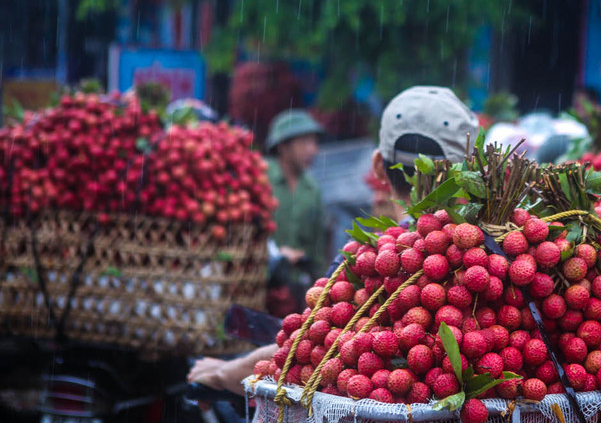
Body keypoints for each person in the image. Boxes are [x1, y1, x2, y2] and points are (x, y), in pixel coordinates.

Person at [188, 86, 479, 395]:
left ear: (379, 165)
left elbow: (305, 350)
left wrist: (223, 375)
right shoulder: (496, 252)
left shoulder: (369, 261)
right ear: (470, 174)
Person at [264, 110, 326, 269]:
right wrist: (274, 256)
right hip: (256, 282)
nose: (313, 150)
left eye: (314, 143)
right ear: (283, 146)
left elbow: (318, 249)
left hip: (298, 286)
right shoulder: (261, 178)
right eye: (305, 142)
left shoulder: (312, 190)